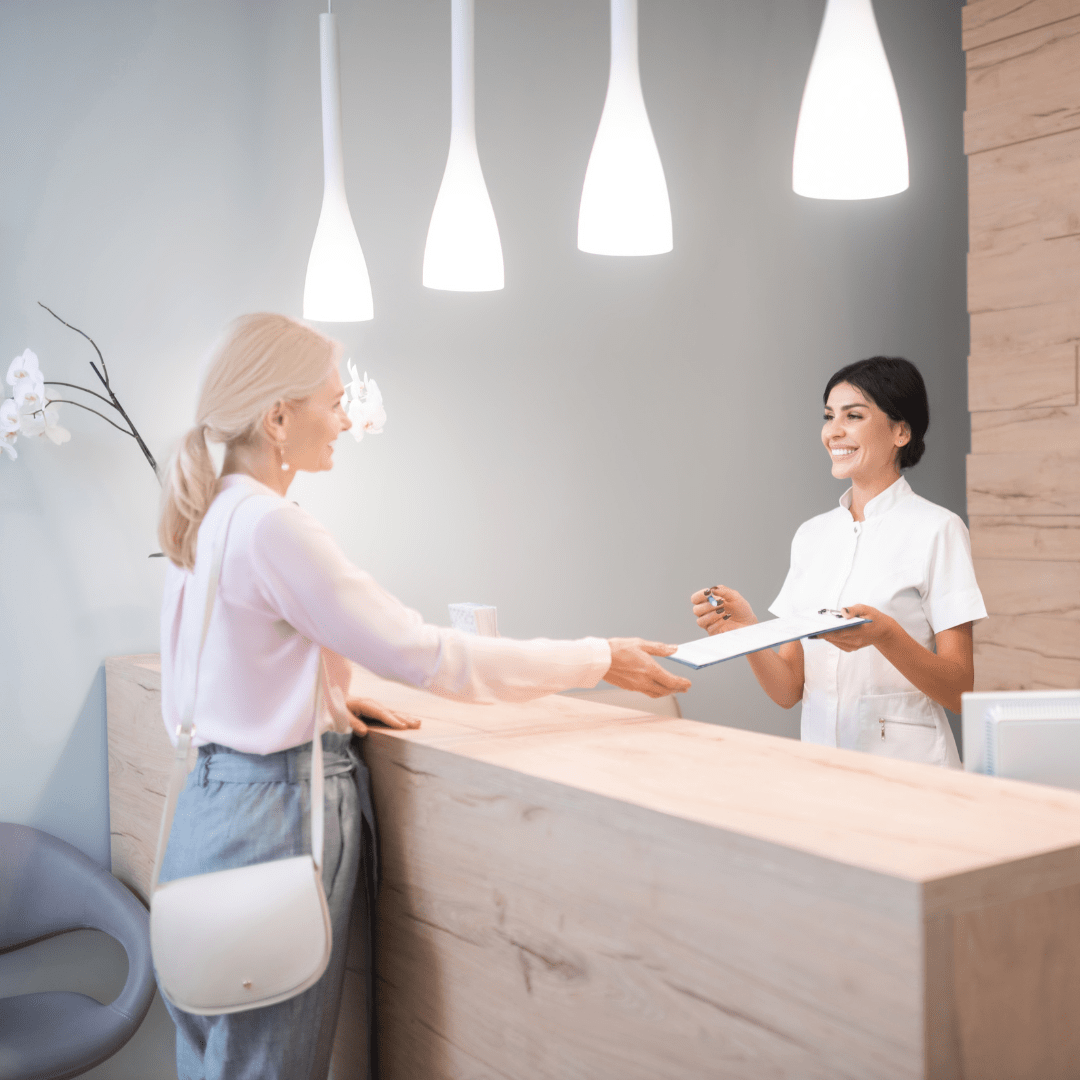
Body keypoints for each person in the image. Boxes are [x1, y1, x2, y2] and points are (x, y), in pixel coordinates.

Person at [156, 312, 691, 1080]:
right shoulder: (274, 526)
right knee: (267, 1067)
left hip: (212, 809)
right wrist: (598, 658)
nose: (344, 420)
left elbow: (203, 679)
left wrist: (327, 700)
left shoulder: (207, 515)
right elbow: (429, 657)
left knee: (219, 1059)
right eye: (331, 402)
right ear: (278, 418)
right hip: (272, 815)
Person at [690, 356, 985, 767]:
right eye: (830, 416)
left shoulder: (938, 529)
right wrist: (746, 632)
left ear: (901, 431)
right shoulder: (811, 536)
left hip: (911, 771)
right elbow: (789, 690)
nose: (834, 431)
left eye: (854, 415)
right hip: (822, 769)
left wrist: (885, 635)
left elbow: (959, 689)